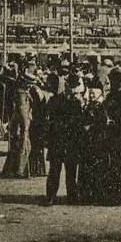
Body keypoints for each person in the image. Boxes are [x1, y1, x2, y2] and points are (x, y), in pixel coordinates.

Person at [45, 75, 86, 206]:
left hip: (71, 142)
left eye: (75, 87)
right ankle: (51, 196)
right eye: (70, 87)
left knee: (71, 171)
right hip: (58, 140)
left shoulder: (78, 103)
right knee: (54, 171)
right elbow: (51, 120)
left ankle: (72, 196)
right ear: (66, 86)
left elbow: (80, 123)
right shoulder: (54, 100)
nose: (72, 90)